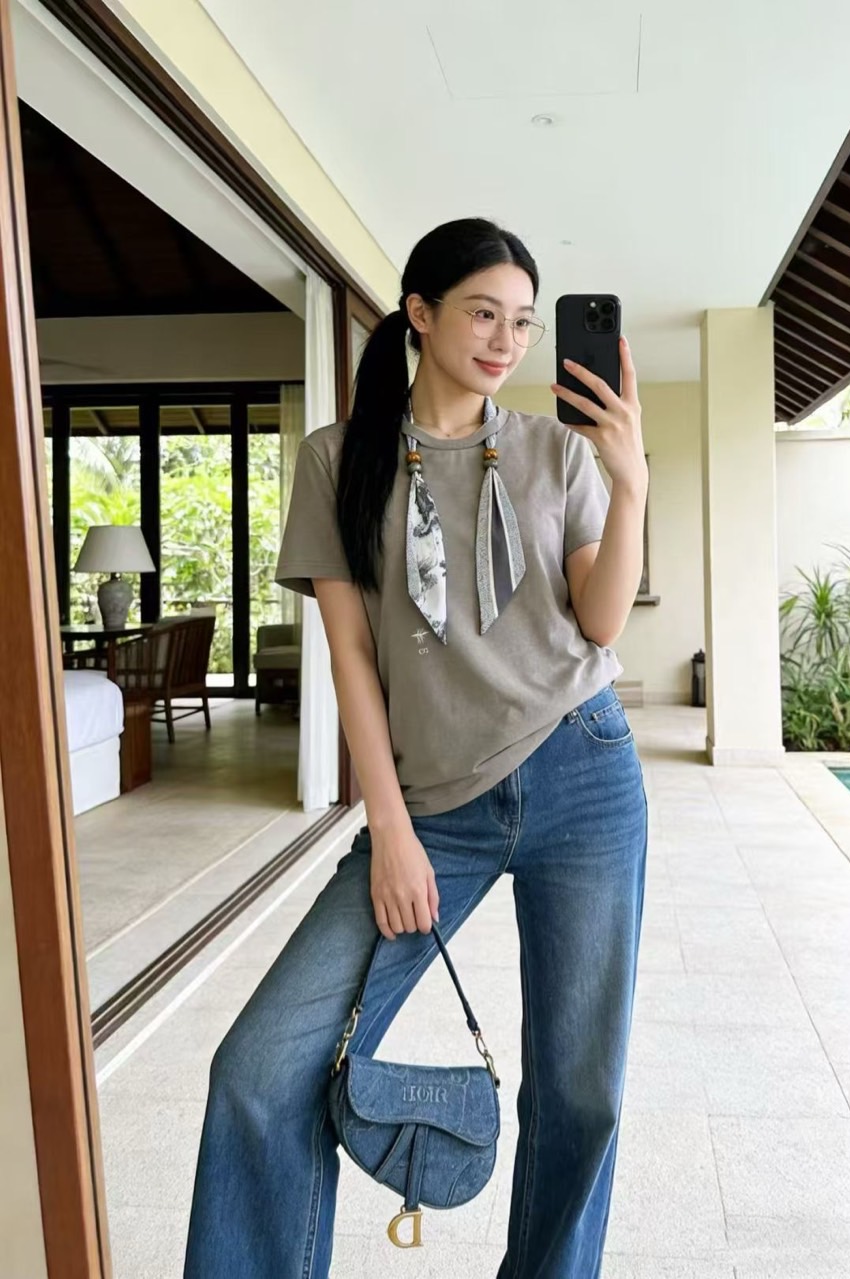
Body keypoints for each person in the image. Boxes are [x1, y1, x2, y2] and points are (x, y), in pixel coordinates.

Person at [184, 217, 650, 1279]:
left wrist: (628, 483)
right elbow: (351, 657)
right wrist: (387, 829)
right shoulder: (337, 459)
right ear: (420, 313)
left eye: (522, 323)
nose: (504, 341)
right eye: (483, 313)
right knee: (261, 1066)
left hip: (582, 768)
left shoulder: (556, 451)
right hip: (432, 806)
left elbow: (602, 619)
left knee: (580, 1090)